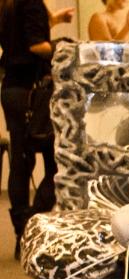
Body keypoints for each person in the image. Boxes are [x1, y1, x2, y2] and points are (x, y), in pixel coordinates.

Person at [0, 0, 74, 258]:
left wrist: (54, 20)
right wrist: (64, 47)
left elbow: (23, 32)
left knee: (21, 163)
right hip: (33, 92)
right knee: (56, 163)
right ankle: (32, 223)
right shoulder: (30, 0)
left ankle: (21, 231)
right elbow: (35, 45)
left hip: (11, 89)